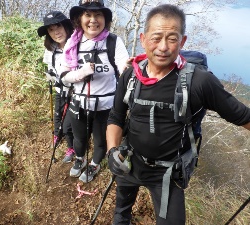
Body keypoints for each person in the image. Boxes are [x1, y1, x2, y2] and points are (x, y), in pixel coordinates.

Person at [106, 4, 250, 225]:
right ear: (143, 39)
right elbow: (116, 117)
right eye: (156, 38)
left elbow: (243, 116)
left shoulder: (199, 82)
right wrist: (112, 151)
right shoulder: (131, 77)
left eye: (172, 39)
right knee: (120, 214)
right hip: (130, 161)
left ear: (182, 42)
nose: (163, 47)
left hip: (167, 174)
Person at [60, 0, 129, 183]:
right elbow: (64, 75)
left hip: (105, 105)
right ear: (79, 19)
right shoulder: (73, 42)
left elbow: (124, 66)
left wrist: (127, 70)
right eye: (88, 15)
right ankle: (80, 159)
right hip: (79, 102)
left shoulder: (114, 41)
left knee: (100, 141)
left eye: (98, 15)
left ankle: (95, 164)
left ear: (105, 18)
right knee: (79, 139)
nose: (93, 20)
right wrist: (81, 73)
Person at [37, 11, 75, 163]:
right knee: (57, 116)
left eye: (58, 26)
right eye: (51, 30)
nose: (56, 32)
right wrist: (50, 75)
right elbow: (49, 66)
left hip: (76, 93)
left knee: (68, 125)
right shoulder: (50, 48)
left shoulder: (77, 45)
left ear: (65, 26)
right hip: (60, 90)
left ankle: (72, 147)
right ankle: (57, 135)